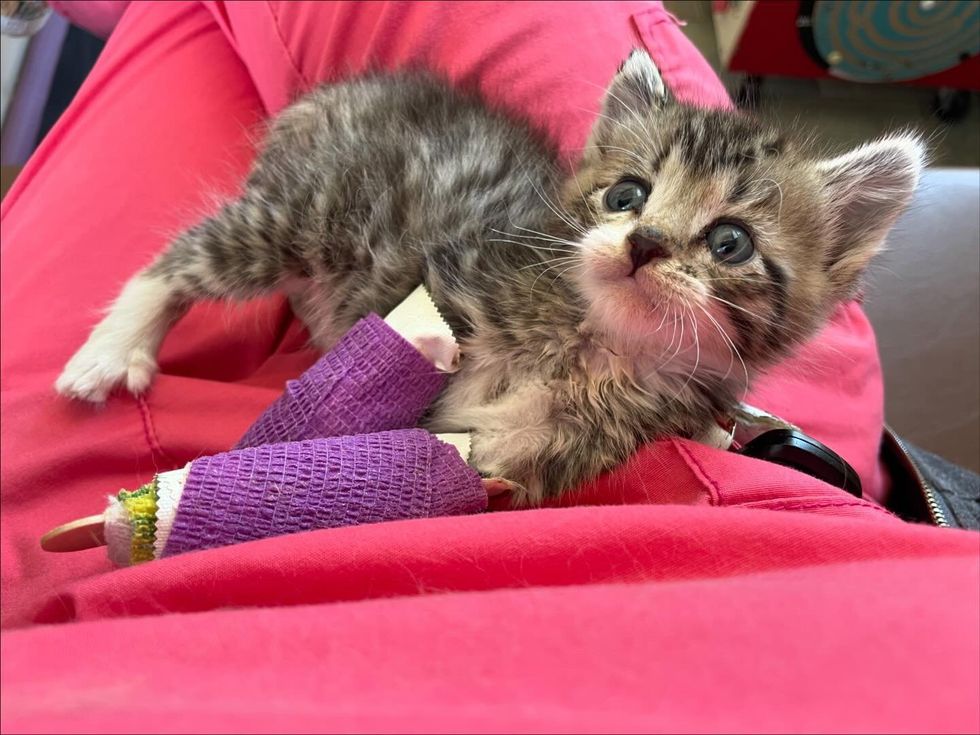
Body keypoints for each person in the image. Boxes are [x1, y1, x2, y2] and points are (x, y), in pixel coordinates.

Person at [1, 2, 977, 732]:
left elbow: (453, 463)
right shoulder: (533, 275)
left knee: (200, 25)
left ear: (826, 265)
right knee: (275, 184)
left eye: (723, 242)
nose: (647, 242)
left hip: (114, 612)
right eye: (627, 196)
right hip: (376, 187)